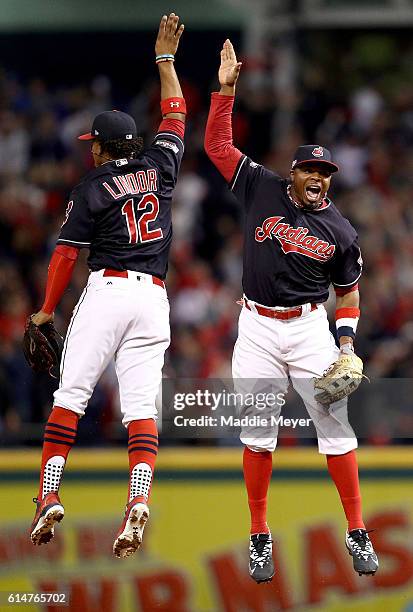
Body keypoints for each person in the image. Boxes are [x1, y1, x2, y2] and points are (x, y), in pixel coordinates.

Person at [204, 39, 378, 583]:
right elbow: (216, 145)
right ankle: (260, 535)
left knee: (336, 428)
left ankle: (357, 530)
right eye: (310, 170)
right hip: (256, 325)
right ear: (295, 171)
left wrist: (346, 345)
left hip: (308, 329)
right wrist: (225, 91)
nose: (319, 178)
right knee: (257, 435)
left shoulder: (341, 231)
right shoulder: (262, 187)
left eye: (326, 172)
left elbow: (348, 293)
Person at [29, 13, 186, 559]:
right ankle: (137, 499)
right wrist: (165, 61)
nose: (90, 150)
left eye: (93, 143)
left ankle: (49, 494)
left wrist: (46, 311)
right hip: (154, 300)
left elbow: (66, 254)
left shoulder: (93, 185)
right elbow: (175, 113)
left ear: (100, 147)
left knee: (69, 396)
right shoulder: (161, 166)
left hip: (110, 291)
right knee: (142, 408)